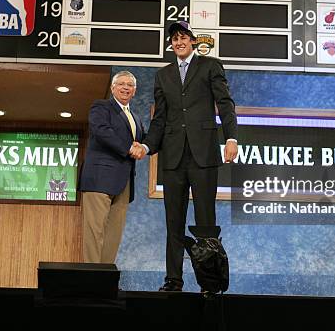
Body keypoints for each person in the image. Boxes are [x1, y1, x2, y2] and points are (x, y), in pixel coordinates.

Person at [131, 21, 238, 291]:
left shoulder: (210, 66)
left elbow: (224, 103)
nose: (178, 42)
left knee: (206, 221)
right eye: (174, 39)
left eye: (183, 37)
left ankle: (208, 282)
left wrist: (231, 138)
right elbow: (161, 118)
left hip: (203, 154)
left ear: (192, 40)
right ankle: (173, 279)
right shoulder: (163, 75)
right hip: (174, 156)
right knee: (173, 222)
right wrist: (147, 146)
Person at [80, 71, 144, 264]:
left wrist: (145, 147)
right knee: (94, 233)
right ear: (112, 87)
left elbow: (144, 141)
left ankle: (104, 279)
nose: (126, 88)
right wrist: (128, 148)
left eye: (130, 85)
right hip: (99, 178)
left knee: (113, 236)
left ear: (134, 91)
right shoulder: (101, 107)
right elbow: (101, 131)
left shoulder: (136, 118)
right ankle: (91, 278)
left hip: (123, 183)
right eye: (121, 84)